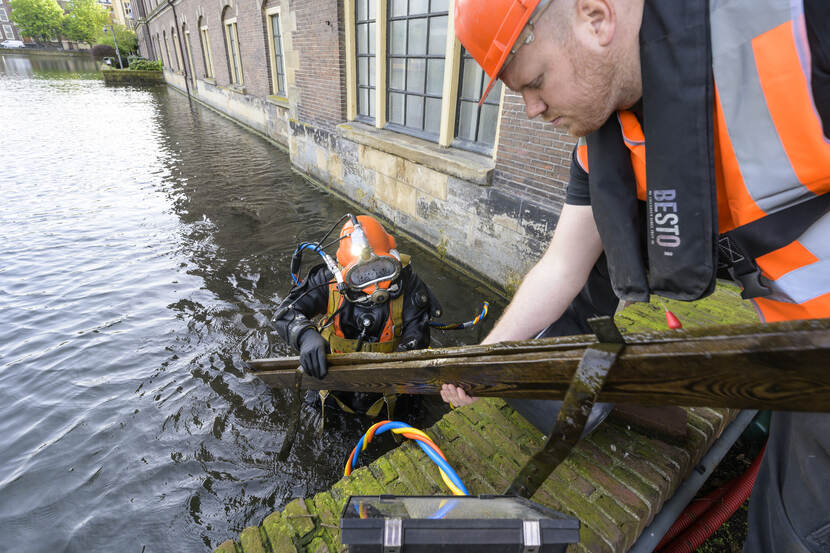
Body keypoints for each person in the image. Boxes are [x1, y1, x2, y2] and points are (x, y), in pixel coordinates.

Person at [441, 0, 830, 551]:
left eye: (535, 81)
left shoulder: (799, 28)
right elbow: (561, 265)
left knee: (796, 536)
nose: (530, 109)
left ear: (595, 18)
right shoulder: (604, 144)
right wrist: (486, 357)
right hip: (793, 336)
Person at [272, 214, 440, 419]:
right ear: (343, 269)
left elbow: (418, 338)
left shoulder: (409, 285)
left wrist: (399, 363)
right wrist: (305, 335)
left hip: (389, 385)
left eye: (381, 269)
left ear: (392, 256)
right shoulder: (328, 281)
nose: (375, 283)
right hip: (333, 381)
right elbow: (285, 312)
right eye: (361, 275)